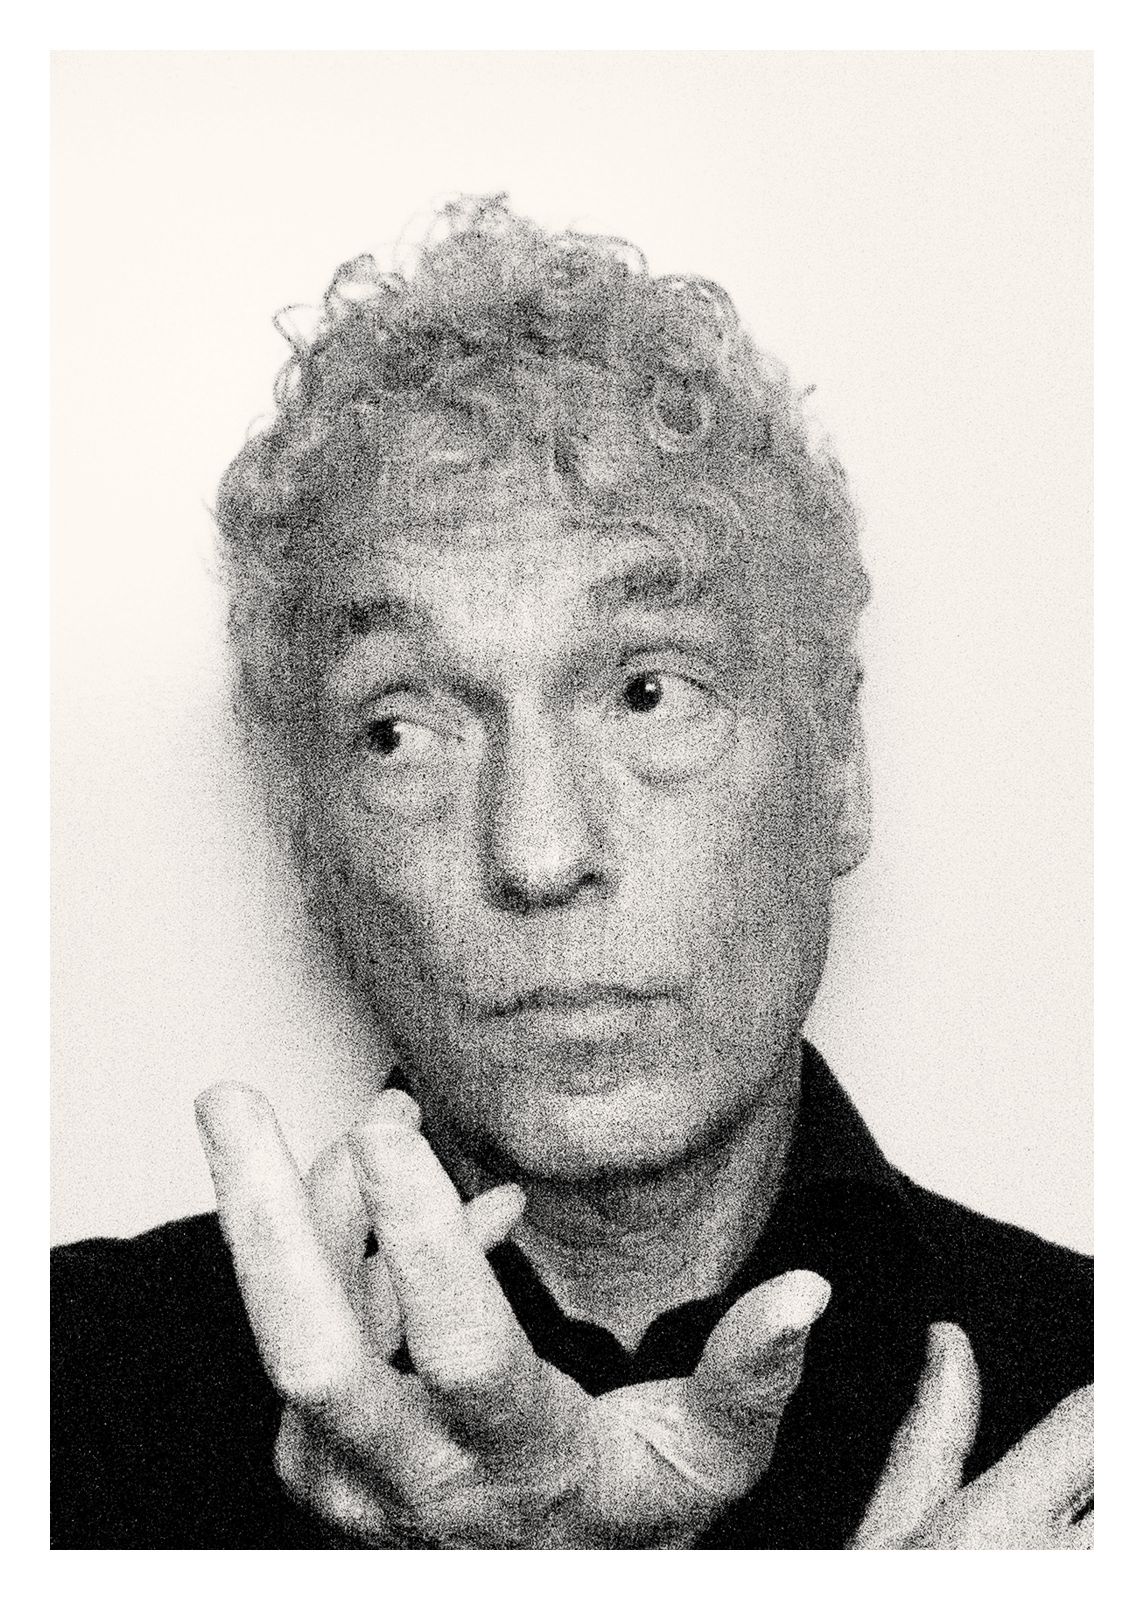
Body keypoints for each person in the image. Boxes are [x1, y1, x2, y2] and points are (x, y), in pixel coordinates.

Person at [51, 196, 1093, 1550]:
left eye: (648, 692)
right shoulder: (60, 1402)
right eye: (402, 728)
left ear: (839, 766)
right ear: (309, 833)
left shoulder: (1095, 1396)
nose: (538, 853)